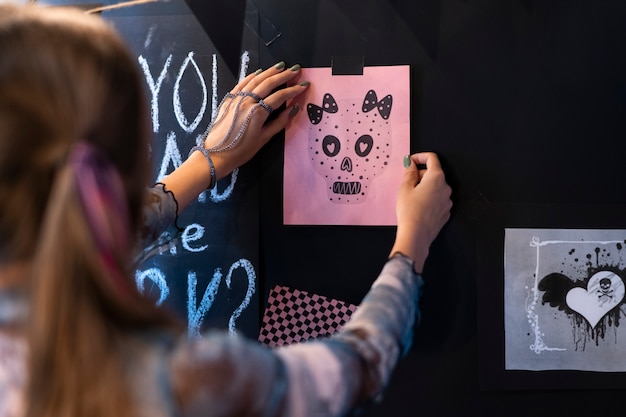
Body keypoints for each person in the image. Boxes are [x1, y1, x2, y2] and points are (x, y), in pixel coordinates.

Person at [0, 4, 452, 417]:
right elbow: (358, 367)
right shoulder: (176, 382)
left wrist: (206, 162)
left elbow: (87, 220)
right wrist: (412, 242)